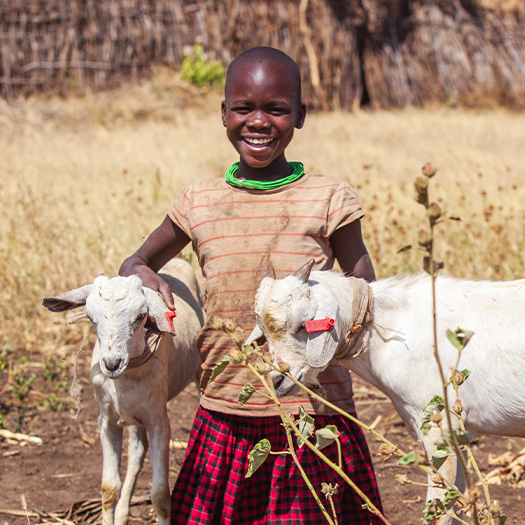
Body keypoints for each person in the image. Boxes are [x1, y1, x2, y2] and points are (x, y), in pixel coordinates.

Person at [120, 46, 383, 524]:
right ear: (224, 113)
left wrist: (325, 321)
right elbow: (136, 260)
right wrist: (143, 275)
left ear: (299, 115)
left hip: (314, 412)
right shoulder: (199, 201)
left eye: (276, 109)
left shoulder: (329, 198)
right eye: (244, 108)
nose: (258, 121)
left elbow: (362, 286)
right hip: (226, 407)